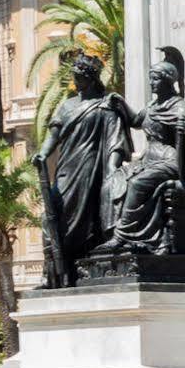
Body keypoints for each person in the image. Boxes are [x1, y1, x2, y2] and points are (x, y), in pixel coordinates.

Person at [35, 52, 135, 286]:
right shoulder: (68, 105)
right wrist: (43, 153)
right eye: (74, 77)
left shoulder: (105, 105)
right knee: (52, 214)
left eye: (79, 77)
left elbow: (115, 141)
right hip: (67, 168)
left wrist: (112, 170)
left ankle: (73, 269)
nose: (75, 82)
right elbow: (55, 134)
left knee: (85, 217)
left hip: (91, 169)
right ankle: (52, 273)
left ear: (90, 79)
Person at [110, 54, 185, 253]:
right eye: (151, 78)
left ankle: (122, 236)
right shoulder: (152, 106)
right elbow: (136, 121)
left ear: (167, 80)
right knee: (114, 181)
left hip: (169, 159)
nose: (151, 83)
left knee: (138, 183)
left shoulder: (178, 106)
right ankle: (120, 234)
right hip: (148, 159)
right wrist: (121, 103)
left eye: (156, 78)